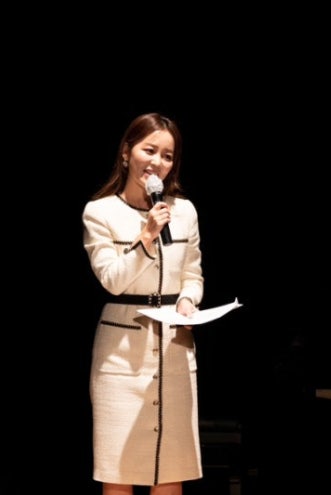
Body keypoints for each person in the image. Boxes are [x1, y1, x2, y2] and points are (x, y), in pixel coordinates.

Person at [82, 112, 204, 495]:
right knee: (119, 471)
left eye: (167, 155)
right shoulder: (100, 212)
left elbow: (193, 274)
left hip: (174, 350)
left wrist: (188, 301)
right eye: (149, 150)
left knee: (171, 468)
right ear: (126, 152)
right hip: (120, 357)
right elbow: (113, 280)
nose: (157, 163)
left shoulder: (184, 211)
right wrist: (147, 235)